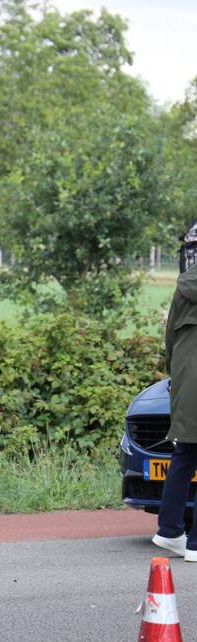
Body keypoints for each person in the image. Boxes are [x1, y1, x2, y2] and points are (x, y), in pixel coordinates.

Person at [153, 224, 197, 561]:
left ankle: (169, 531)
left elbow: (170, 336)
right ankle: (195, 544)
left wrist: (174, 377)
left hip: (185, 374)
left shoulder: (184, 286)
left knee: (185, 454)